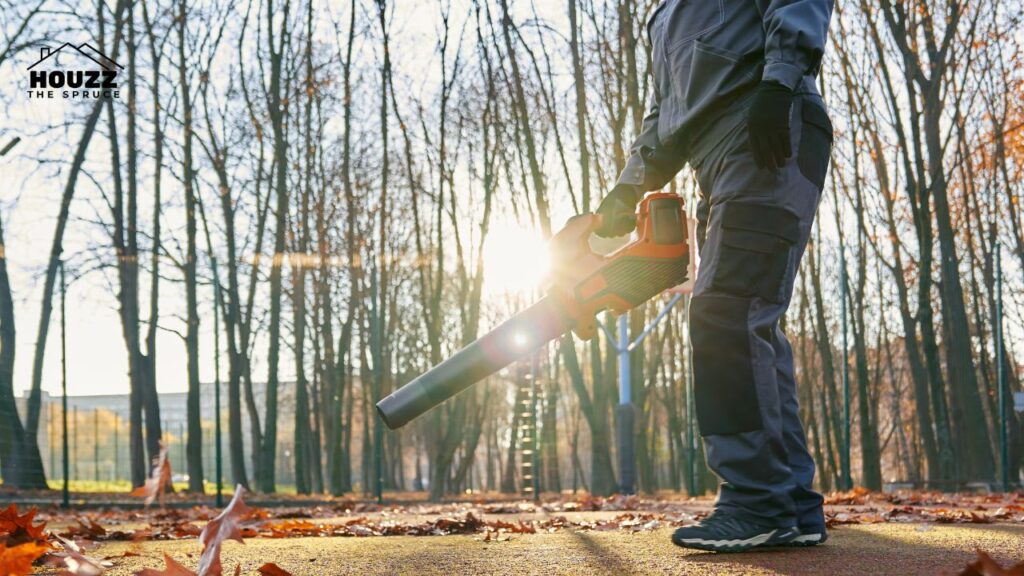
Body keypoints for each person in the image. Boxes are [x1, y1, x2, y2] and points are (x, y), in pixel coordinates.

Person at [595, 0, 835, 552]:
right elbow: (667, 114)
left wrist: (779, 81)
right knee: (746, 320)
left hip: (765, 130)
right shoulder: (663, 18)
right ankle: (789, 504)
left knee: (727, 311)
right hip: (716, 157)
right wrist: (628, 188)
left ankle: (757, 501)